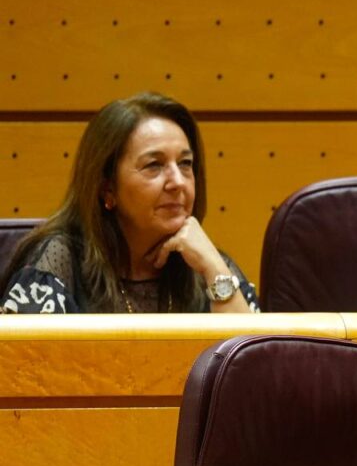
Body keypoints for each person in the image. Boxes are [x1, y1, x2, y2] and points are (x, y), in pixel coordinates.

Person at [1, 92, 258, 313]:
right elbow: (24, 367)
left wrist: (214, 268)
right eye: (154, 165)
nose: (177, 181)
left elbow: (259, 365)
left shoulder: (203, 262)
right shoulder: (61, 261)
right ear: (107, 189)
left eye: (185, 164)